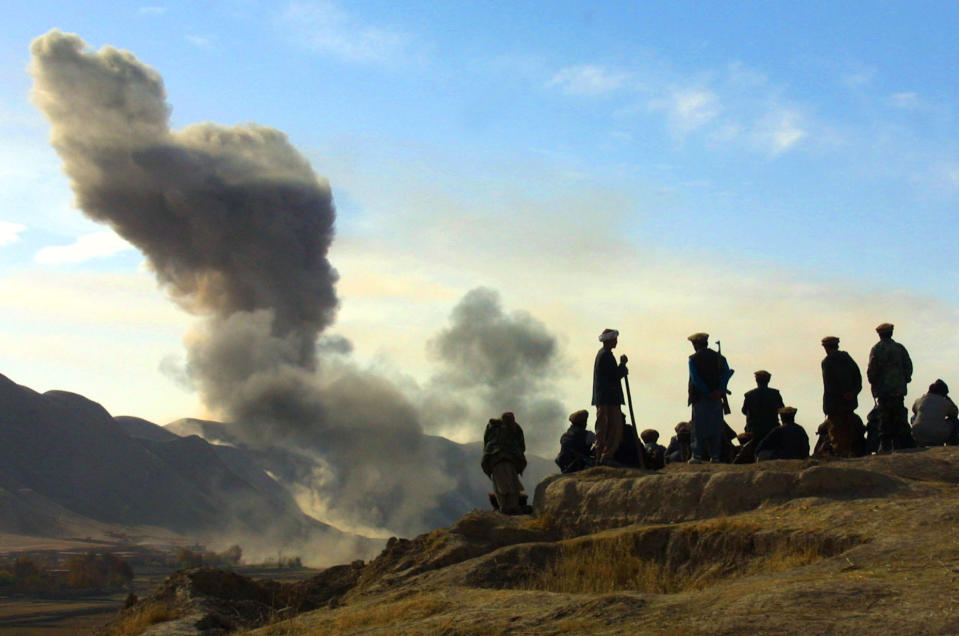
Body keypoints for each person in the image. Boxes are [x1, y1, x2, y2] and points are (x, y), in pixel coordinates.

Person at [686, 332, 733, 463]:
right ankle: (715, 455)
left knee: (698, 427)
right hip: (716, 397)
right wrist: (719, 391)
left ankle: (697, 455)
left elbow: (696, 379)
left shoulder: (693, 359)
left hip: (700, 397)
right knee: (715, 427)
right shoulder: (720, 358)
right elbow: (726, 375)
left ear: (696, 344)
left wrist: (707, 392)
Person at [867, 323, 913, 452]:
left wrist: (873, 382)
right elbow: (908, 366)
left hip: (883, 391)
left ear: (879, 334)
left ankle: (885, 445)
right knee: (899, 415)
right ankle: (902, 444)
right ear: (891, 332)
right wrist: (905, 379)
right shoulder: (899, 348)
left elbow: (872, 370)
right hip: (898, 389)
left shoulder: (876, 349)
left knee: (884, 417)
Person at [821, 336, 865, 457]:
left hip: (835, 405)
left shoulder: (827, 361)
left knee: (837, 434)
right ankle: (851, 453)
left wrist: (838, 397)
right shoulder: (848, 359)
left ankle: (841, 456)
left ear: (826, 347)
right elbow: (858, 378)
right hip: (849, 404)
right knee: (849, 431)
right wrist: (853, 393)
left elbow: (829, 385)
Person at [592, 328, 628, 464]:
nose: (616, 342)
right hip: (607, 398)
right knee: (609, 427)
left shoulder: (605, 354)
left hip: (608, 398)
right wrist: (623, 365)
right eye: (614, 339)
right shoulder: (605, 356)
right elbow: (614, 375)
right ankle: (604, 455)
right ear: (608, 340)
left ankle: (604, 455)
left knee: (609, 427)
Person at [481, 412, 527, 514]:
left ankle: (504, 507)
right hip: (510, 459)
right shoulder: (515, 428)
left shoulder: (492, 427)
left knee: (500, 486)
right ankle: (511, 508)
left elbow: (486, 442)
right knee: (512, 486)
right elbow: (522, 446)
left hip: (494, 459)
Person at [736, 370, 784, 462]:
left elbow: (744, 411)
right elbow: (781, 409)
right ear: (768, 380)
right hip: (772, 428)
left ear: (756, 381)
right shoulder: (775, 394)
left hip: (754, 430)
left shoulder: (749, 395)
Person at [911, 379, 959, 447]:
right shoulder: (945, 401)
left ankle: (918, 443)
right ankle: (952, 445)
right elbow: (955, 413)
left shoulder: (919, 400)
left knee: (913, 417)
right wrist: (948, 399)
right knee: (955, 421)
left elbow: (914, 410)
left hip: (918, 434)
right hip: (936, 435)